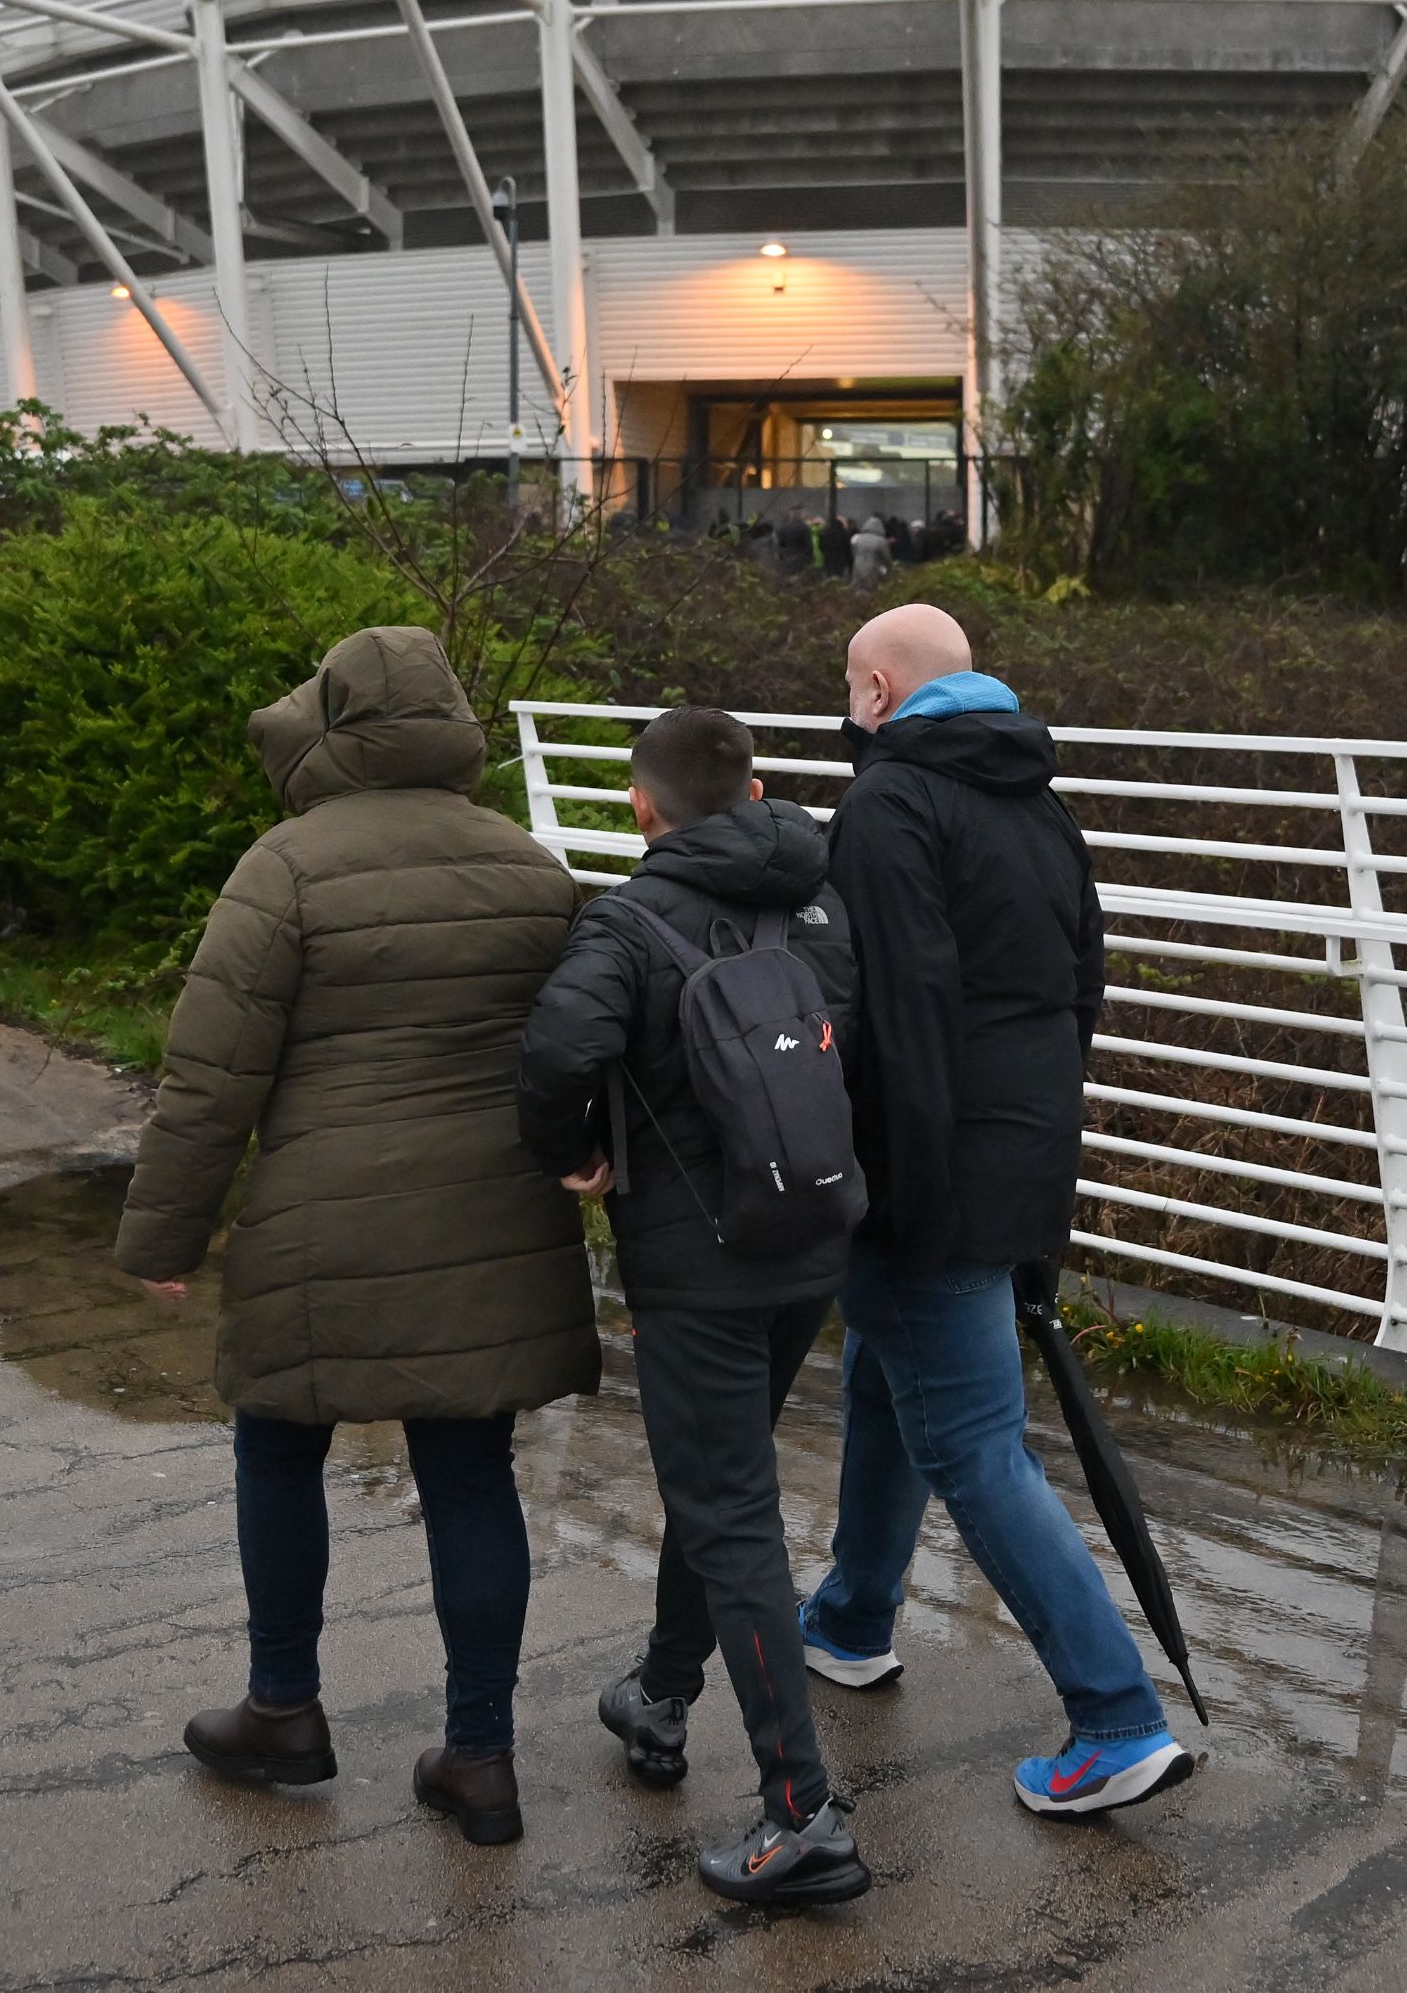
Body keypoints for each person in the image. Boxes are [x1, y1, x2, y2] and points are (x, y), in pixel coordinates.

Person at [112, 626, 593, 1852]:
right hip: (493, 1222)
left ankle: (283, 1711)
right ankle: (480, 1756)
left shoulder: (286, 868)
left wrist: (163, 1231)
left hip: (316, 1224)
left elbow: (213, 1074)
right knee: (470, 1473)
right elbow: (578, 1048)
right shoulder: (531, 868)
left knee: (279, 1448)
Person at [794, 600, 1197, 1820]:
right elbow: (1084, 984)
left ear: (874, 687)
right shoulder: (1039, 801)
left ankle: (1113, 1717)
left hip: (931, 1174)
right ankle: (854, 1618)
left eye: (848, 687)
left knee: (972, 1440)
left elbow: (898, 1011)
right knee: (884, 1370)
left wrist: (897, 1195)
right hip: (1023, 1153)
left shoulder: (888, 807)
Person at [516, 705, 871, 1909]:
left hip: (695, 1264)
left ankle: (803, 1814)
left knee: (727, 1508)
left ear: (641, 809)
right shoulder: (824, 905)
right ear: (757, 786)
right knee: (718, 1484)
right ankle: (661, 1694)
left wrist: (572, 1155)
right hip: (810, 1240)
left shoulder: (626, 922)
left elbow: (559, 1050)